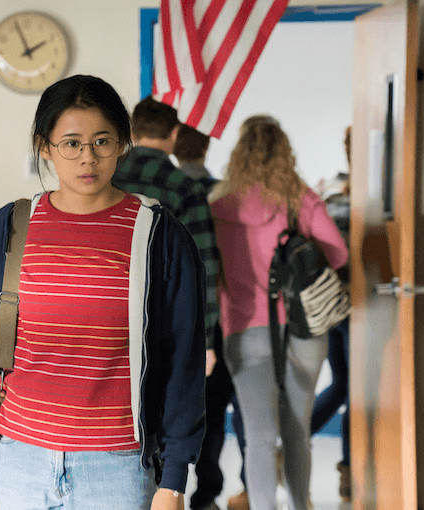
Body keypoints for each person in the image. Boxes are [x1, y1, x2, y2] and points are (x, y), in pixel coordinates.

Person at [0, 75, 207, 510]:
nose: (87, 158)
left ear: (123, 143)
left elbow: (183, 362)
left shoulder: (158, 236)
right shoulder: (12, 227)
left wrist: (173, 482)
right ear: (45, 147)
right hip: (21, 461)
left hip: (119, 467)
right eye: (71, 143)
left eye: (102, 141)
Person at [208, 115, 348, 510]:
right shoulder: (298, 198)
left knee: (258, 436)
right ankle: (301, 505)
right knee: (297, 432)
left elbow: (208, 267)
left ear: (240, 153)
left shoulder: (218, 203)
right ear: (283, 151)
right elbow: (339, 254)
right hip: (302, 330)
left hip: (241, 330)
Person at [111, 97, 221, 380]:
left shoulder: (106, 178)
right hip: (162, 317)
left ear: (132, 134)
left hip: (104, 311)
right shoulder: (186, 189)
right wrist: (205, 340)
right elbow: (203, 265)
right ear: (175, 134)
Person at [173, 123, 247, 510]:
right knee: (214, 409)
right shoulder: (223, 197)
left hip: (168, 319)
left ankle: (168, 491)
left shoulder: (154, 190)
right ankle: (206, 494)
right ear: (205, 148)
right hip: (215, 317)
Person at [310, 126, 352, 502]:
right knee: (351, 387)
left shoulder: (329, 192)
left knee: (344, 385)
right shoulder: (342, 196)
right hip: (349, 307)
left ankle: (348, 468)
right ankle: (349, 470)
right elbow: (338, 253)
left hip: (335, 307)